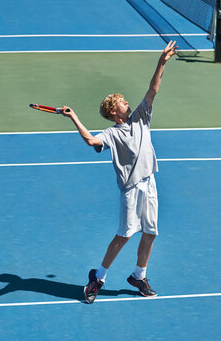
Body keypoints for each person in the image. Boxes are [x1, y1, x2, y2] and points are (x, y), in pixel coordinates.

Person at [61, 41, 177, 303]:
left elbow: (153, 88)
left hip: (150, 183)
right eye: (123, 101)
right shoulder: (112, 134)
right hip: (131, 189)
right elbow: (91, 141)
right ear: (114, 111)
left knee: (151, 232)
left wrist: (162, 61)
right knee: (125, 234)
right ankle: (98, 278)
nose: (128, 102)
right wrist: (74, 117)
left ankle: (139, 275)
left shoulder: (141, 117)